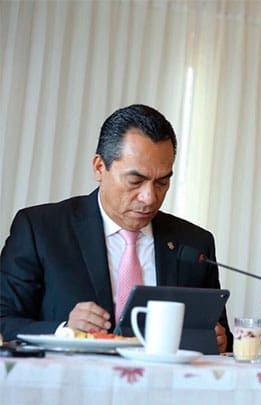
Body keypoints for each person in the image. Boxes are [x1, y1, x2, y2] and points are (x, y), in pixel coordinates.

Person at [0, 104, 231, 353]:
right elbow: (4, 319)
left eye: (162, 182)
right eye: (135, 181)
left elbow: (218, 333)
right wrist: (64, 329)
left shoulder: (194, 243)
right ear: (99, 167)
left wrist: (218, 339)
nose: (149, 197)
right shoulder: (41, 230)